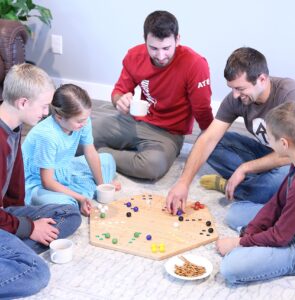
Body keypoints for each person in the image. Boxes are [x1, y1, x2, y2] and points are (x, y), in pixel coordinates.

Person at [166, 47, 295, 214]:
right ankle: (257, 185)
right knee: (207, 140)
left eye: (240, 89)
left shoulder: (291, 95)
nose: (235, 95)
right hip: (265, 152)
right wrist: (183, 183)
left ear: (262, 79)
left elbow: (293, 153)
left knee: (280, 182)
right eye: (232, 88)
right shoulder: (236, 99)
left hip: (291, 160)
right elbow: (209, 139)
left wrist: (245, 168)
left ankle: (235, 187)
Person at [92, 10, 213, 180]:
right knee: (85, 132)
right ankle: (100, 151)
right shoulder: (134, 56)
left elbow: (203, 111)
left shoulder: (195, 64)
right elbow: (118, 92)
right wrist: (120, 100)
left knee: (152, 166)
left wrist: (210, 142)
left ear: (177, 39)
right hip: (134, 121)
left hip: (169, 134)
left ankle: (98, 154)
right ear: (145, 40)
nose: (161, 56)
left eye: (166, 48)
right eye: (154, 48)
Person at [0, 64, 82, 298]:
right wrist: (28, 227)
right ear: (23, 102)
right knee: (34, 273)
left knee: (69, 214)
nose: (46, 113)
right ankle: (16, 257)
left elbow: (12, 193)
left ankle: (11, 253)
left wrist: (25, 222)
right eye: (44, 106)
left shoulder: (12, 128)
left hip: (3, 214)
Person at [216, 102, 295, 284]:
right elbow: (276, 204)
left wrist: (239, 243)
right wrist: (251, 232)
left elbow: (280, 236)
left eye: (270, 138)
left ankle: (293, 263)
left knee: (231, 267)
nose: (268, 142)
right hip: (291, 224)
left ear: (284, 144)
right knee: (234, 213)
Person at [22, 84, 121, 217]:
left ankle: (86, 191)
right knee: (67, 206)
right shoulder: (47, 136)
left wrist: (101, 185)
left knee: (107, 159)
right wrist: (80, 198)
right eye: (79, 121)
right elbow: (47, 182)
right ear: (59, 117)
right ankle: (77, 197)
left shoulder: (83, 121)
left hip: (64, 168)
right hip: (38, 180)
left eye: (86, 118)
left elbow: (90, 152)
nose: (84, 123)